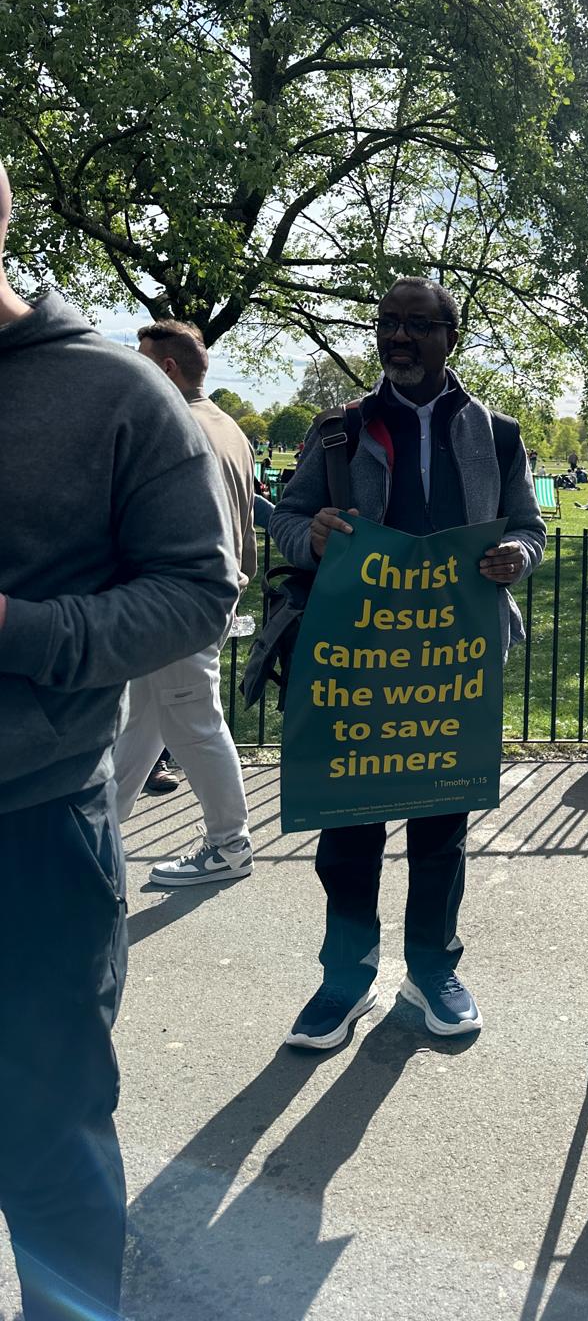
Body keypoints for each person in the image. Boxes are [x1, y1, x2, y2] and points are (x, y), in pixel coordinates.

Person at [0, 163, 236, 1321]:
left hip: (33, 829)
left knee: (48, 1147)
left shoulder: (114, 393)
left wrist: (20, 630)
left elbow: (199, 593)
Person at [269, 276, 546, 1051]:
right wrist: (311, 535)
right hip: (356, 664)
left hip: (454, 665)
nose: (398, 336)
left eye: (418, 325)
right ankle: (346, 978)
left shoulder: (499, 434)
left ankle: (431, 970)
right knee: (348, 832)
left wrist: (516, 555)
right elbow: (286, 518)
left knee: (440, 829)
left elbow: (529, 527)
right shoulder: (338, 430)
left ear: (451, 336)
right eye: (387, 322)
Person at [112, 320, 258, 884]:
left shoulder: (173, 428)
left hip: (177, 604)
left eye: (142, 359)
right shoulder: (229, 428)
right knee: (144, 720)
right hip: (207, 597)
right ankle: (99, 829)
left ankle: (229, 845)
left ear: (167, 368)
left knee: (194, 724)